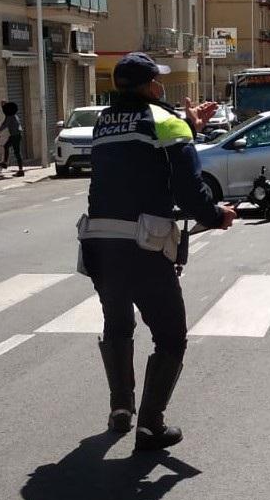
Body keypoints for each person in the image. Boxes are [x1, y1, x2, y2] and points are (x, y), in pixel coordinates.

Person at [79, 52, 236, 452]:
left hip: (99, 243)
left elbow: (138, 159)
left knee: (117, 324)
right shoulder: (166, 122)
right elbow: (188, 187)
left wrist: (189, 127)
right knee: (170, 336)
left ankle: (120, 408)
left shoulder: (103, 123)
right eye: (158, 81)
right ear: (151, 86)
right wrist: (216, 215)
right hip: (143, 247)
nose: (161, 86)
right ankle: (151, 425)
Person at [0, 101, 25, 177]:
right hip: (14, 135)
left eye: (3, 107)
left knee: (17, 153)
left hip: (15, 136)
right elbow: (4, 123)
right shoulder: (11, 115)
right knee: (6, 146)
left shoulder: (10, 116)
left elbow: (4, 125)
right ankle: (5, 163)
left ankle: (21, 170)